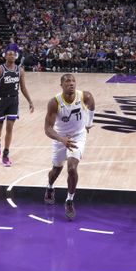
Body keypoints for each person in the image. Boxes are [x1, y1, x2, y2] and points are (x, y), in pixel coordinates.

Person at [43, 74, 95, 221]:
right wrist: (62, 139)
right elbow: (47, 129)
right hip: (60, 137)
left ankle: (69, 200)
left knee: (72, 168)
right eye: (67, 81)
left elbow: (92, 104)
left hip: (78, 136)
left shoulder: (85, 96)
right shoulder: (54, 102)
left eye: (73, 81)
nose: (71, 83)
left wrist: (89, 123)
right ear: (61, 85)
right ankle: (50, 187)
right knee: (56, 170)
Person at [0, 49, 34, 166]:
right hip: (1, 100)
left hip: (13, 101)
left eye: (13, 54)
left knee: (10, 128)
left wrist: (30, 101)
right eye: (9, 54)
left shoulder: (20, 71)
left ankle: (5, 154)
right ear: (5, 56)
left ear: (16, 57)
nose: (11, 56)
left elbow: (23, 88)